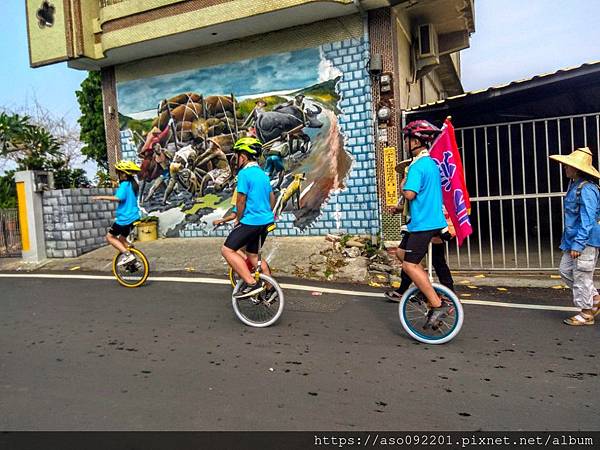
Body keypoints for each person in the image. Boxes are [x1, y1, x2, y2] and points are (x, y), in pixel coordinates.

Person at [392, 120, 450, 321]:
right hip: (431, 221)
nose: (406, 143)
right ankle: (424, 285)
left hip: (423, 223)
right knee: (401, 253)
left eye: (408, 139)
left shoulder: (416, 167)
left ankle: (436, 303)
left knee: (409, 265)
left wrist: (402, 184)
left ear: (416, 140)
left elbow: (410, 194)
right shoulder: (431, 164)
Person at [550, 147, 600, 326]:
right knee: (565, 271)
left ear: (577, 169)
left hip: (584, 241)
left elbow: (587, 219)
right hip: (572, 240)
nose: (565, 167)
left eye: (568, 166)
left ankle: (586, 313)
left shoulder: (587, 189)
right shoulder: (575, 186)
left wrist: (578, 244)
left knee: (581, 276)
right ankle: (594, 298)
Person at [221, 137, 276, 299]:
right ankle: (270, 288)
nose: (236, 159)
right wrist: (266, 213)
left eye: (237, 155)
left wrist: (239, 219)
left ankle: (251, 283)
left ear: (243, 156)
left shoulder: (244, 174)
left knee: (226, 250)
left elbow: (241, 200)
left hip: (251, 222)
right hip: (266, 221)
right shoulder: (263, 174)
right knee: (253, 255)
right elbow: (272, 198)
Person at [92, 161, 141, 266]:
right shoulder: (133, 185)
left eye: (119, 173)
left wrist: (101, 197)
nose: (118, 175)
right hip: (134, 217)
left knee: (109, 237)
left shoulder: (124, 184)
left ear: (123, 174)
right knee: (122, 239)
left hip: (125, 218)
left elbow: (119, 198)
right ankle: (133, 260)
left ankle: (128, 255)